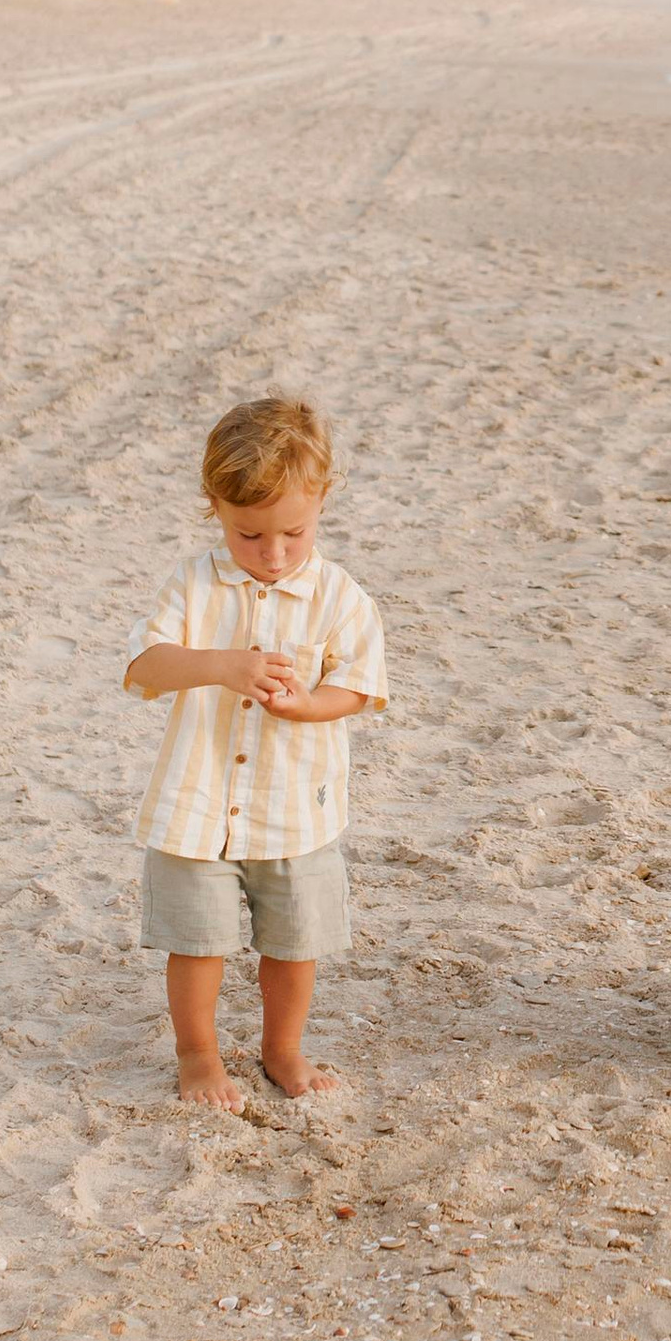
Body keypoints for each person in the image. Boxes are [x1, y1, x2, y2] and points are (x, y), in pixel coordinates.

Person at [123, 393, 388, 1111]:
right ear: (215, 507)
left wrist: (307, 706)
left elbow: (359, 689)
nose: (272, 555)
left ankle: (282, 1049)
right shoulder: (193, 582)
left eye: (292, 535)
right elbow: (146, 667)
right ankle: (199, 1056)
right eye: (249, 537)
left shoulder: (341, 597)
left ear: (322, 504)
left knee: (295, 943)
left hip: (295, 808)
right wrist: (222, 665)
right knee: (198, 941)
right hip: (198, 802)